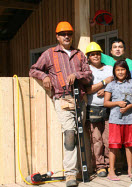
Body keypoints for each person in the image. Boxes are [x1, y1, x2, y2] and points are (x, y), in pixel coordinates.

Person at [29, 21, 92, 187]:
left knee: (79, 135)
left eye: (69, 34)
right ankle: (71, 174)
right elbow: (33, 69)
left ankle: (84, 169)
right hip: (63, 99)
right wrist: (44, 77)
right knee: (70, 133)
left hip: (80, 100)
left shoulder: (79, 54)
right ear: (57, 36)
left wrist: (76, 75)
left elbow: (89, 75)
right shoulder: (49, 54)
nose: (66, 36)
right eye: (63, 34)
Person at [103, 60, 132, 181]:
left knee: (129, 145)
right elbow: (106, 102)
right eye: (118, 70)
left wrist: (129, 106)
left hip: (130, 119)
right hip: (115, 119)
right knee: (114, 146)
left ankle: (130, 170)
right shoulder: (111, 84)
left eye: (123, 69)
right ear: (114, 71)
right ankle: (112, 172)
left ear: (127, 71)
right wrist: (117, 103)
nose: (120, 72)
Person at [85, 42, 114, 177]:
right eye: (92, 54)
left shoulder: (109, 68)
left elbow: (115, 84)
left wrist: (106, 90)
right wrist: (103, 83)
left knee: (108, 138)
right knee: (96, 139)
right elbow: (87, 89)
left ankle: (109, 164)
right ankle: (100, 166)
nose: (95, 56)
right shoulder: (87, 71)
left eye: (97, 54)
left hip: (109, 107)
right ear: (88, 57)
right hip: (93, 107)